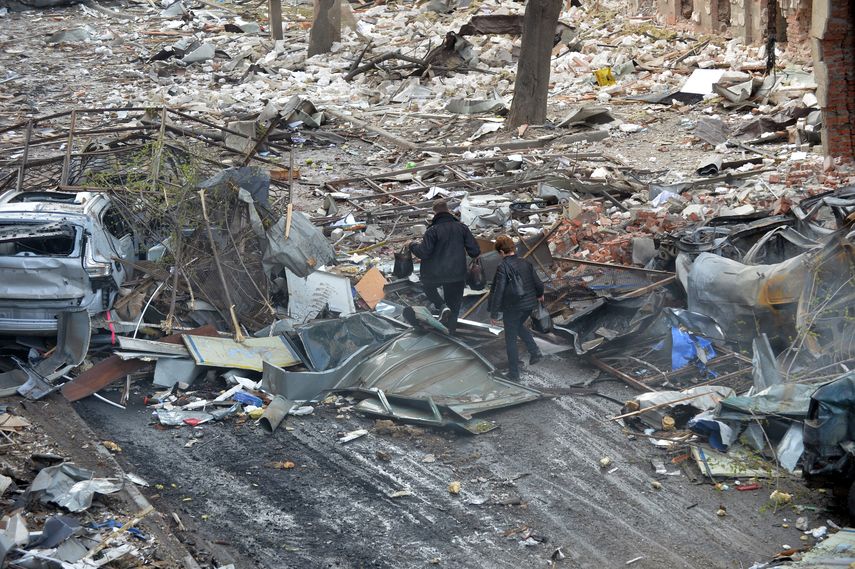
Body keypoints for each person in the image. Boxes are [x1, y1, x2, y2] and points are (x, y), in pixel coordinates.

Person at [409, 200, 480, 335]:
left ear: (435, 212)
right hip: (457, 275)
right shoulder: (462, 228)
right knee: (454, 307)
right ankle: (450, 335)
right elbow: (475, 252)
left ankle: (441, 306)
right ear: (448, 210)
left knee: (427, 286)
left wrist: (412, 245)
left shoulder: (432, 230)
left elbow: (423, 252)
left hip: (434, 275)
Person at [488, 235, 544, 381]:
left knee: (510, 339)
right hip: (528, 305)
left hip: (513, 307)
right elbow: (538, 283)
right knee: (519, 326)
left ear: (501, 252)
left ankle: (514, 374)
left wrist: (494, 314)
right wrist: (539, 295)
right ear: (512, 248)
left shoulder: (503, 267)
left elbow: (498, 291)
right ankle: (535, 351)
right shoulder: (525, 262)